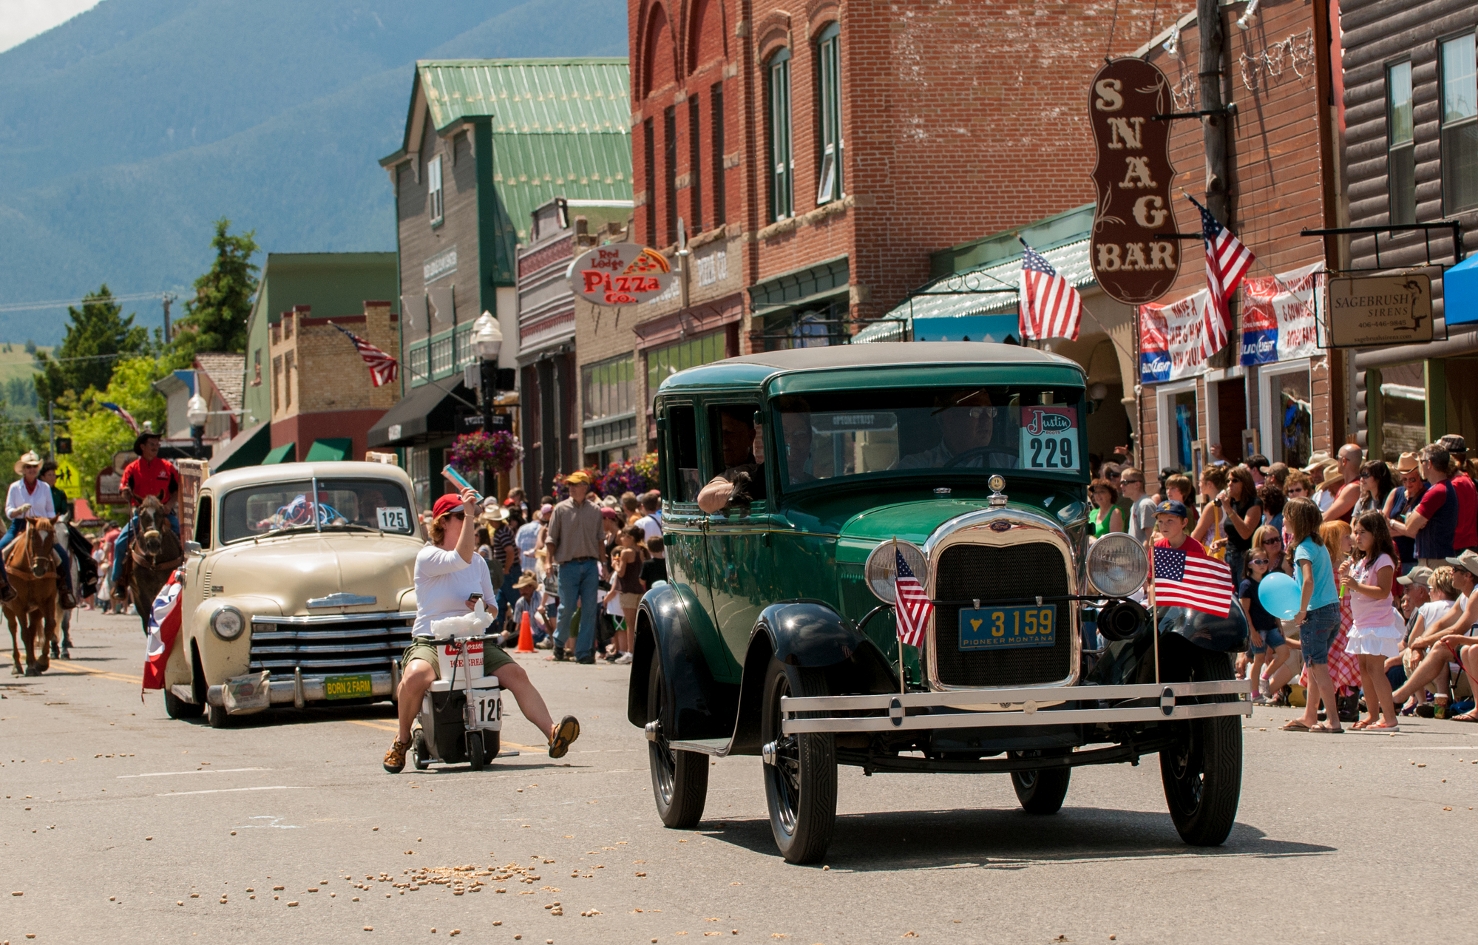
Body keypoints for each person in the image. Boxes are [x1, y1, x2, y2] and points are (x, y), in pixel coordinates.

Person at [382, 489, 579, 773]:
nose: (469, 522)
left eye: (469, 516)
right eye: (462, 516)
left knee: (516, 674)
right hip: (433, 640)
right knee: (414, 677)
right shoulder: (429, 556)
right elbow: (458, 559)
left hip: (471, 638)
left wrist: (483, 609)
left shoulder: (478, 562)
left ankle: (552, 732)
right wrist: (473, 510)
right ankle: (402, 740)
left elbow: (493, 607)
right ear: (443, 522)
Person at [1281, 497, 1344, 733]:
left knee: (1318, 667)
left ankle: (1333, 720)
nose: (1284, 520)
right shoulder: (1318, 545)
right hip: (1331, 611)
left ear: (1296, 521)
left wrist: (1301, 610)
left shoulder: (1303, 548)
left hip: (1315, 613)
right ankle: (1310, 715)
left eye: (1287, 516)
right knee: (1314, 666)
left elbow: (1307, 581)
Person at [1393, 553, 1478, 719]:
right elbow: (1441, 624)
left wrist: (1422, 641)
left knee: (1466, 649)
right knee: (1445, 647)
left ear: (1468, 575)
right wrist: (1421, 644)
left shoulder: (1476, 594)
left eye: (1455, 569)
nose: (1451, 572)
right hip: (1469, 650)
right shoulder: (1465, 596)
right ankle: (1402, 696)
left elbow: (1456, 630)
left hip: (1472, 649)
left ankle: (1401, 697)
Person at [1340, 511, 1401, 730]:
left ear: (1376, 533)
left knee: (1375, 669)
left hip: (1377, 623)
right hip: (1362, 622)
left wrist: (1355, 585)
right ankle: (1373, 715)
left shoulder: (1383, 559)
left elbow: (1383, 591)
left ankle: (1390, 718)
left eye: (1362, 532)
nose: (1357, 537)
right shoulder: (1362, 561)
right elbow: (1350, 591)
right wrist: (1346, 577)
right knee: (1364, 669)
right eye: (1355, 532)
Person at [109, 432, 181, 592]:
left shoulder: (167, 467)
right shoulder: (132, 468)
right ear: (142, 447)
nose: (155, 448)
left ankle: (189, 578)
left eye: (157, 445)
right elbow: (123, 488)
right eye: (152, 445)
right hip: (142, 515)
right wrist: (126, 492)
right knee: (120, 543)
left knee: (185, 539)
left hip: (164, 513)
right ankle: (119, 582)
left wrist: (169, 505)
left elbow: (177, 490)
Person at [2, 451, 75, 608]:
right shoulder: (15, 487)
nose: (31, 469)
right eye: (28, 467)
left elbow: (50, 510)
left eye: (34, 466)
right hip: (20, 525)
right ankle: (4, 588)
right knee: (1, 550)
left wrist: (47, 522)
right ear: (23, 469)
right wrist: (18, 510)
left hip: (42, 528)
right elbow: (8, 510)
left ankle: (66, 592)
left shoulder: (44, 487)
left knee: (62, 554)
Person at [547, 470, 604, 663]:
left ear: (585, 487)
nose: (570, 488)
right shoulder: (560, 509)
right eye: (569, 485)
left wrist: (604, 564)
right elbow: (551, 539)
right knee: (567, 607)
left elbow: (600, 540)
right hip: (567, 566)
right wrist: (548, 562)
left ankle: (584, 652)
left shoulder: (595, 510)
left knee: (589, 609)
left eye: (575, 484)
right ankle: (559, 643)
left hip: (590, 564)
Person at [893, 391, 1011, 471]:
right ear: (949, 418)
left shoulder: (1010, 464)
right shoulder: (917, 467)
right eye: (977, 411)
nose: (986, 419)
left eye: (990, 411)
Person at [1389, 445, 1460, 568]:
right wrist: (1412, 518)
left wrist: (1392, 522)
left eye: (1421, 462)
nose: (1420, 466)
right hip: (1436, 558)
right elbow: (1411, 524)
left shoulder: (1437, 491)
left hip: (1434, 561)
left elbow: (1410, 528)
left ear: (1429, 464)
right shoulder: (1442, 488)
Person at [1241, 542, 1290, 703]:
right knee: (1258, 658)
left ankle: (1265, 676)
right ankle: (1254, 693)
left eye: (1265, 561)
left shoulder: (1269, 581)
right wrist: (1252, 631)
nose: (1262, 564)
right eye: (1258, 561)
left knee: (1284, 652)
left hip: (1270, 624)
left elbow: (1273, 603)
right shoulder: (1247, 585)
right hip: (1257, 627)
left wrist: (1279, 624)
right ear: (1249, 565)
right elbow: (1245, 610)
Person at [603, 524, 646, 665]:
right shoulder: (642, 550)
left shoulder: (625, 552)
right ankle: (639, 651)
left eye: (623, 536)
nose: (621, 538)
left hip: (627, 590)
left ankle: (630, 652)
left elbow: (621, 572)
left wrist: (615, 564)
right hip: (640, 589)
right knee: (639, 623)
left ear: (630, 538)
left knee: (629, 623)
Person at [1217, 465, 1263, 584]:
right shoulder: (1232, 504)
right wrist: (1222, 542)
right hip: (1229, 556)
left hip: (1245, 557)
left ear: (1245, 483)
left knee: (1243, 595)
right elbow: (1235, 534)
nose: (1230, 484)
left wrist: (1229, 510)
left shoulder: (1254, 503)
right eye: (1228, 481)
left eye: (1235, 480)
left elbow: (1245, 533)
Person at [1384, 452, 1427, 572]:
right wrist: (1407, 529)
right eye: (1404, 479)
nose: (1408, 483)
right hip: (1393, 558)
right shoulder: (1396, 492)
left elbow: (1417, 533)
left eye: (1412, 479)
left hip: (1414, 558)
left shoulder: (1427, 495)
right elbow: (1381, 527)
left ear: (1420, 476)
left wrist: (1392, 523)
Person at [1437, 435, 1478, 553]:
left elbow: (1458, 523)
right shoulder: (1464, 479)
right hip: (1464, 545)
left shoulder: (1456, 484)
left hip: (1459, 547)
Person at [497, 572, 548, 649]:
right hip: (529, 634)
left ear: (532, 587)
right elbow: (518, 624)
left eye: (525, 588)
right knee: (511, 638)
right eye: (521, 589)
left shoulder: (540, 598)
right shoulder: (520, 602)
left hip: (543, 633)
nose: (523, 591)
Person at [1190, 465, 1230, 559]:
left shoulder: (1212, 506)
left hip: (1212, 555)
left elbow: (1195, 536)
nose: (1199, 484)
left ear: (1209, 484)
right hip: (1225, 553)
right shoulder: (1227, 501)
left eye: (1200, 481)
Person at [1321, 444, 1364, 522]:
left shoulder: (1353, 487)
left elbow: (1327, 517)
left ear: (1344, 461)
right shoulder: (1346, 486)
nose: (1337, 461)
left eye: (1338, 458)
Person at [1119, 467, 1157, 548]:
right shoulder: (1135, 504)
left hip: (1143, 558)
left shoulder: (1145, 504)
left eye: (1124, 482)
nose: (1121, 486)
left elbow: (1150, 537)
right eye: (1121, 483)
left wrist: (1140, 559)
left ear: (1137, 484)